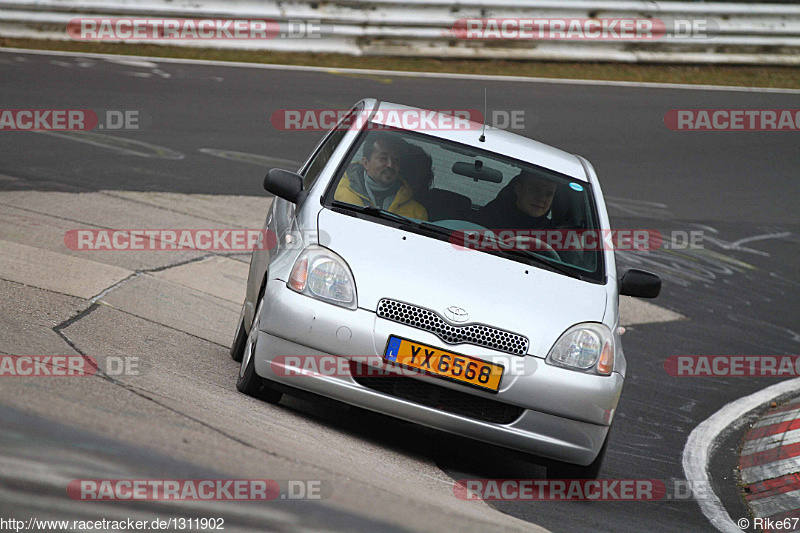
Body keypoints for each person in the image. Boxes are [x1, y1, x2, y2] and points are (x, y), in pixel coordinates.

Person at [334, 132, 428, 220]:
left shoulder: (417, 213)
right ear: (366, 163)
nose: (390, 165)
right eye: (383, 158)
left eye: (396, 159)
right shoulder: (335, 190)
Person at [477, 170, 557, 230]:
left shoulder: (553, 234)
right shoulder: (489, 217)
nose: (542, 198)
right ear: (518, 189)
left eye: (549, 194)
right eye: (535, 190)